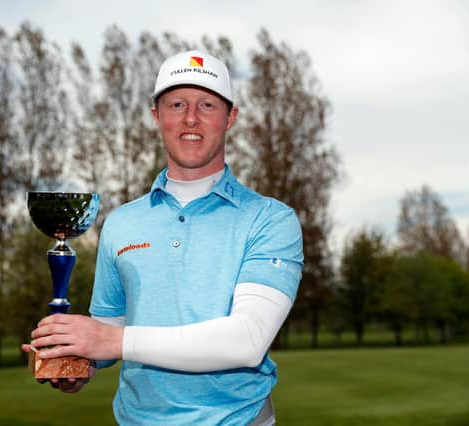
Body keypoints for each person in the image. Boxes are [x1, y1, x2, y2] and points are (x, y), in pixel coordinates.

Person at [22, 50, 303, 425]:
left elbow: (247, 340)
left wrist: (111, 342)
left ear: (230, 117)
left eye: (207, 104)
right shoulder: (122, 223)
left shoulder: (270, 220)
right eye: (176, 104)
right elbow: (114, 326)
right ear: (157, 116)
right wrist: (79, 359)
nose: (190, 118)